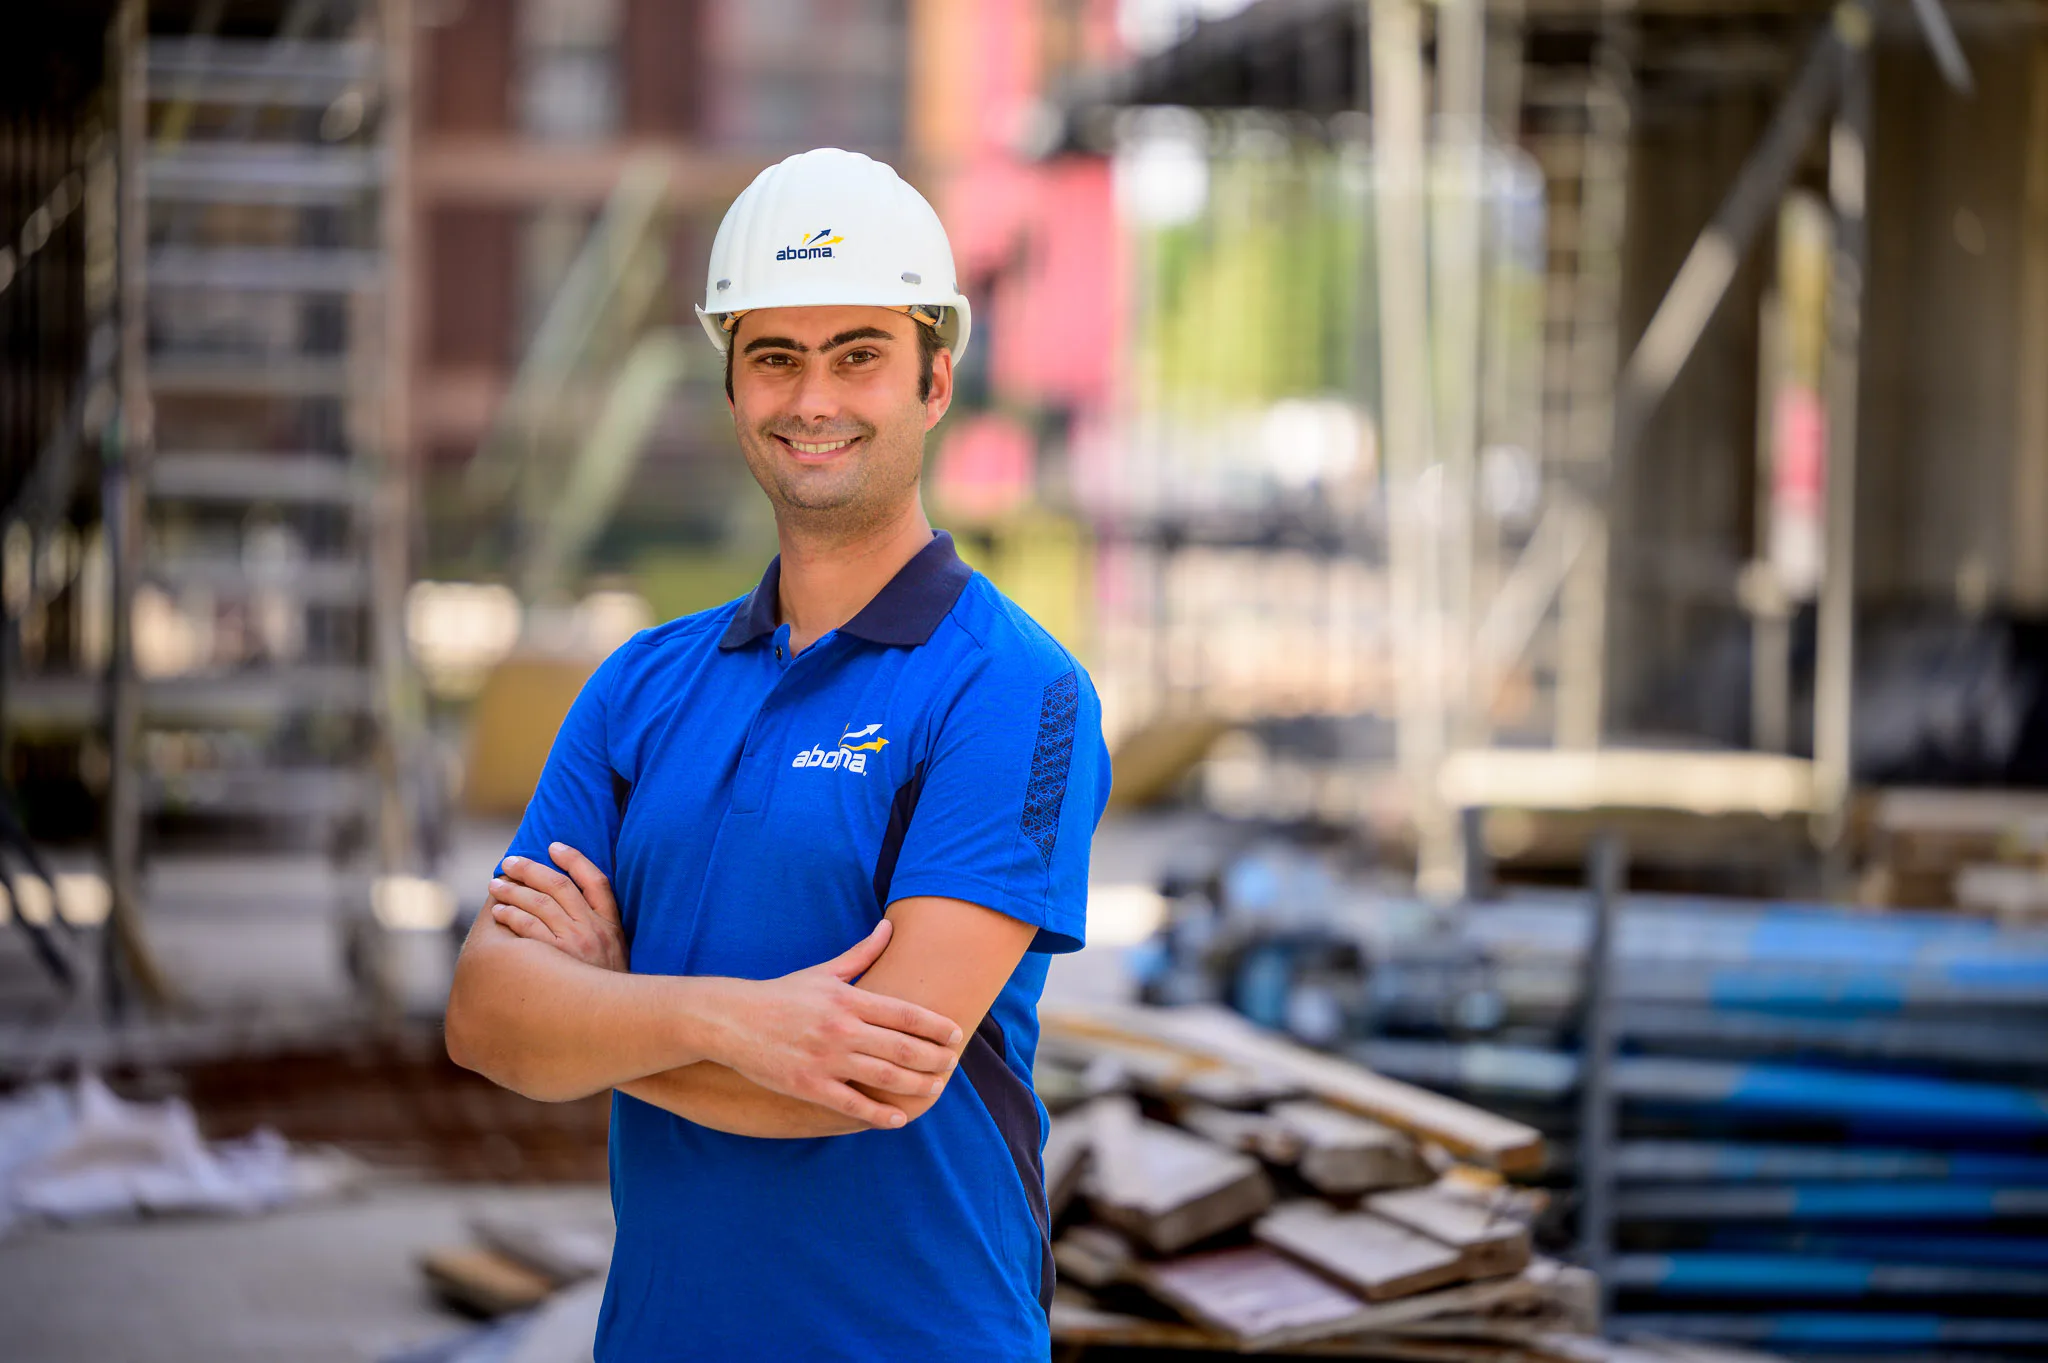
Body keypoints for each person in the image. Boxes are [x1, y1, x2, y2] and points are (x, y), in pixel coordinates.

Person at [444, 147, 1111, 1362]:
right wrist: (732, 1022)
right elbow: (487, 1019)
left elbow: (872, 1077)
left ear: (935, 378)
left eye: (858, 353)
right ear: (732, 382)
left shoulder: (1014, 689)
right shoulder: (641, 683)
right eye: (774, 357)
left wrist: (600, 1014)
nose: (814, 398)